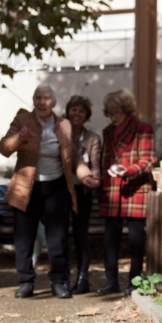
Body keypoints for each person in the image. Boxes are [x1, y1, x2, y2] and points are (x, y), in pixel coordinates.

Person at [0, 84, 99, 299]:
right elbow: (3, 148)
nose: (42, 102)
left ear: (53, 102)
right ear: (33, 101)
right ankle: (25, 282)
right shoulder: (22, 120)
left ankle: (59, 282)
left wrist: (85, 175)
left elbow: (72, 155)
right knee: (25, 238)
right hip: (27, 187)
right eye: (38, 98)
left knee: (57, 238)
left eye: (46, 98)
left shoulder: (63, 125)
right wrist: (20, 139)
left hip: (57, 187)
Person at [98, 88, 157, 297]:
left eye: (117, 112)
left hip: (136, 189)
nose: (113, 117)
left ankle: (134, 282)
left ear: (126, 110)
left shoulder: (142, 128)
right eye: (110, 113)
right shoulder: (107, 132)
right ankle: (111, 282)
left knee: (135, 241)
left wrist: (128, 170)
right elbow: (104, 160)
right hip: (112, 191)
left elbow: (149, 160)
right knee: (110, 240)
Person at [66, 95, 101, 294]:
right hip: (62, 190)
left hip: (83, 192)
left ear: (86, 115)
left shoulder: (92, 138)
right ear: (68, 112)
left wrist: (95, 178)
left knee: (81, 235)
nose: (76, 113)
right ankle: (62, 277)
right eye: (73, 109)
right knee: (60, 234)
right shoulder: (60, 134)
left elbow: (95, 165)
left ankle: (82, 277)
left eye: (81, 110)